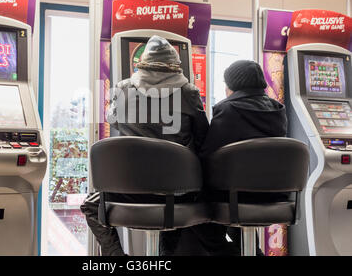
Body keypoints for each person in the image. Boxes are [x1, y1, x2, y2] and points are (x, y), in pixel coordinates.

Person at [80, 35, 209, 256]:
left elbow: (113, 120)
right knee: (174, 210)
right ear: (175, 65)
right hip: (176, 191)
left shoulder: (123, 88)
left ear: (142, 63)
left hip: (130, 190)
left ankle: (116, 257)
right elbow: (202, 137)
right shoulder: (189, 92)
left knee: (91, 206)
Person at [172, 59, 288, 256]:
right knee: (238, 215)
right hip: (274, 195)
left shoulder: (228, 109)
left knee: (196, 212)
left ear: (232, 86)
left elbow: (208, 157)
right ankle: (254, 252)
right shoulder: (278, 110)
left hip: (235, 196)